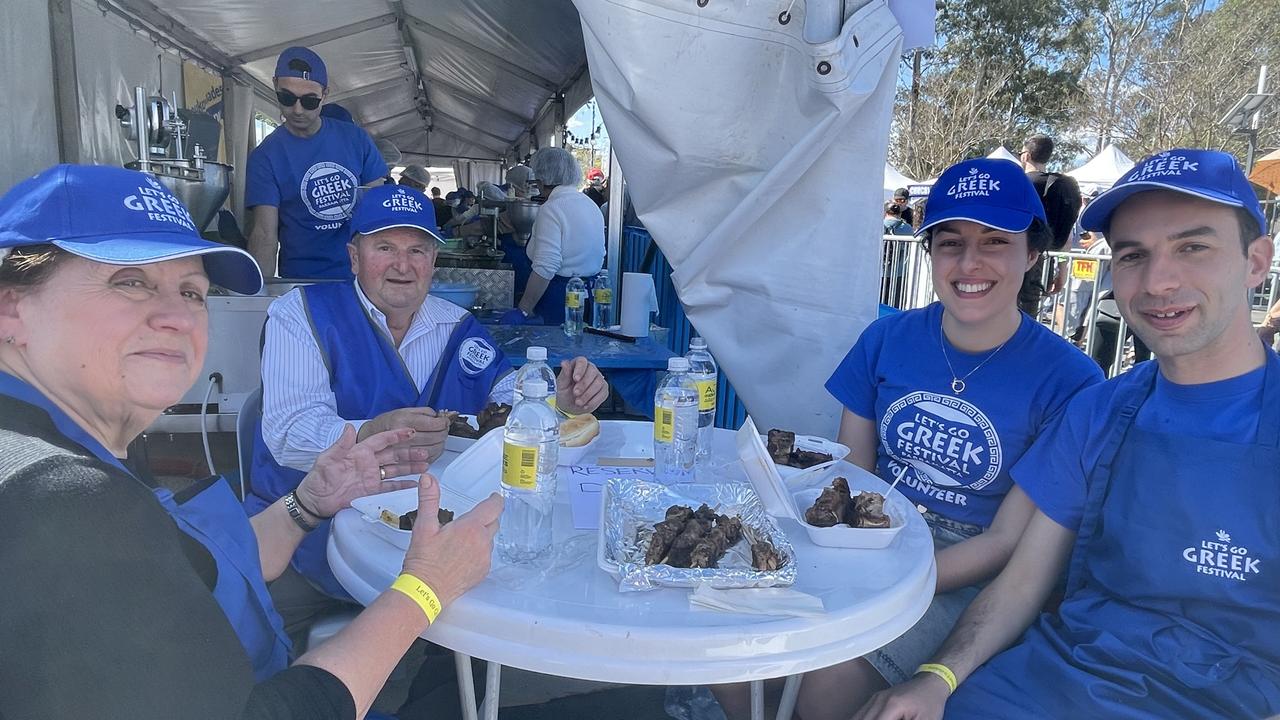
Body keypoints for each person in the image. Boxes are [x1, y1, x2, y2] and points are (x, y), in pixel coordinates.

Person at [0, 164, 501, 719]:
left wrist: (306, 504)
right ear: (9, 307)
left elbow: (195, 561)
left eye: (192, 291)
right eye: (131, 281)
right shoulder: (56, 498)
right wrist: (423, 592)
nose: (174, 317)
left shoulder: (76, 445)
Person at [854, 148, 1279, 720]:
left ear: (1257, 262)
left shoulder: (1067, 381)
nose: (1158, 281)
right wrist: (937, 677)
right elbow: (1023, 580)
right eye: (1133, 255)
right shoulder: (1100, 409)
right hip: (1059, 674)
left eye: (1192, 247)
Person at [712, 159, 1103, 720]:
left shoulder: (1070, 380)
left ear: (1032, 255)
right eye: (950, 242)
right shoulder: (887, 338)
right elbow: (853, 478)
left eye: (996, 242)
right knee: (732, 648)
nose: (970, 263)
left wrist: (883, 586)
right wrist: (835, 564)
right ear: (930, 253)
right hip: (866, 537)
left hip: (962, 570)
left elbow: (1006, 541)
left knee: (824, 687)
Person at [250, 183, 609, 610]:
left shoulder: (456, 326)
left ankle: (443, 672)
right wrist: (372, 431)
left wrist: (558, 400)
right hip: (314, 531)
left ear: (434, 260)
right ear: (353, 256)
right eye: (384, 247)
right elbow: (287, 433)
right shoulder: (302, 314)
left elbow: (505, 398)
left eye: (417, 250)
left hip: (431, 531)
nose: (402, 265)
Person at [246, 46, 388, 280]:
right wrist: (257, 296)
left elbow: (379, 215)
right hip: (302, 280)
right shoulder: (266, 156)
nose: (297, 110)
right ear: (274, 85)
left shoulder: (356, 139)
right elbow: (264, 234)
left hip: (360, 278)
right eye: (287, 98)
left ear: (325, 94)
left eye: (310, 101)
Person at [503, 147, 605, 324]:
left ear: (541, 179)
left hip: (559, 300)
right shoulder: (590, 205)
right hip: (590, 298)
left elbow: (546, 266)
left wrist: (523, 310)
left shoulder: (552, 209)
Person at [1018, 134, 1082, 315]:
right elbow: (1067, 237)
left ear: (1026, 156)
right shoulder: (1060, 187)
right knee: (1028, 318)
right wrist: (1062, 270)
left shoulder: (1019, 183)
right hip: (1045, 262)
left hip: (1014, 259)